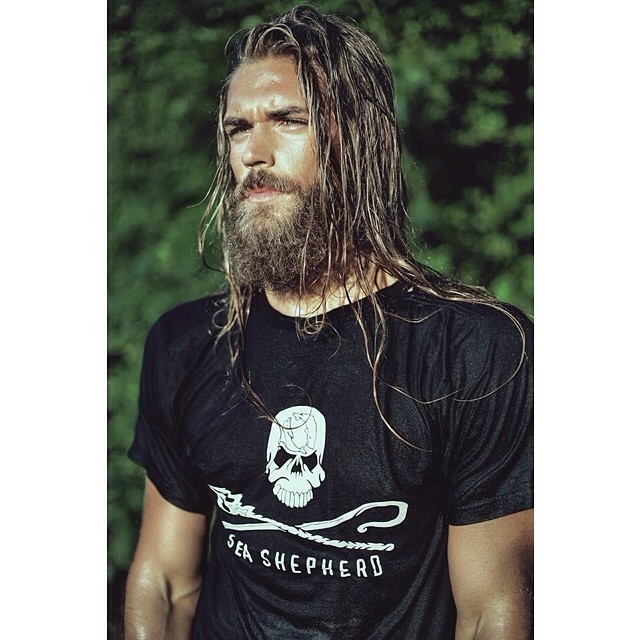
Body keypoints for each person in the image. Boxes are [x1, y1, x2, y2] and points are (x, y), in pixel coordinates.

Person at [124, 5, 533, 639]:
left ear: (357, 138)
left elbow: (490, 613)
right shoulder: (187, 346)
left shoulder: (474, 351)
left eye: (288, 121)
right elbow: (165, 582)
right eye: (238, 128)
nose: (254, 152)